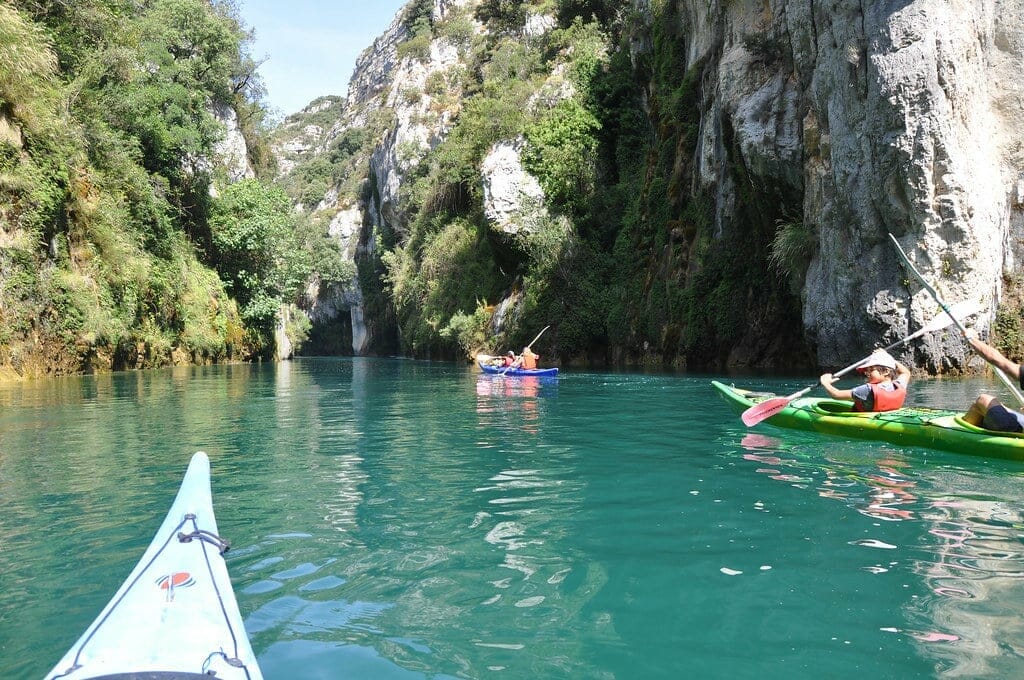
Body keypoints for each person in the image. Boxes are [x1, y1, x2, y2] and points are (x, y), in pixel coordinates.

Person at [962, 328, 1024, 432]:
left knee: (983, 400)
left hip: (1016, 431)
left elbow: (998, 360)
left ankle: (961, 434)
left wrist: (972, 339)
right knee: (1002, 407)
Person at [819, 348, 911, 412]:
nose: (867, 373)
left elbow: (836, 394)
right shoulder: (899, 385)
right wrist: (888, 358)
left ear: (886, 371)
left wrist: (826, 383)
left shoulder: (867, 389)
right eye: (867, 371)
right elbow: (906, 372)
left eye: (871, 370)